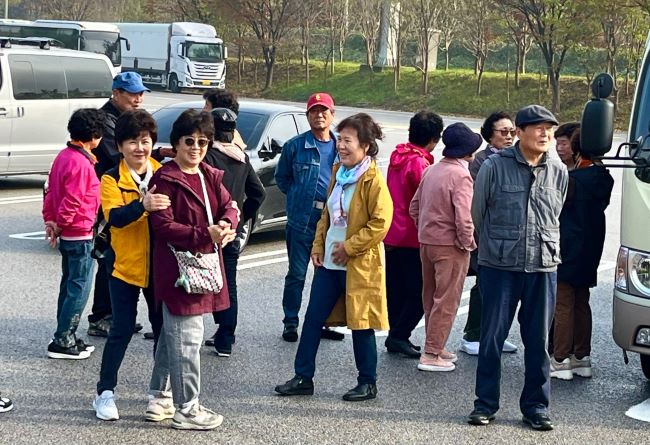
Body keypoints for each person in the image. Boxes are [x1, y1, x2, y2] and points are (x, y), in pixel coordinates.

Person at [274, 113, 393, 401]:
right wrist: (318, 247)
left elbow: (381, 222)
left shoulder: (373, 179)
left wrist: (349, 247)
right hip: (329, 263)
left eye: (347, 140)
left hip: (359, 265)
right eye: (340, 139)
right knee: (313, 318)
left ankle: (368, 382)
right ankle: (303, 377)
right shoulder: (339, 173)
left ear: (365, 145)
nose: (340, 145)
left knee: (360, 323)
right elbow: (326, 216)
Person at [468, 105, 567, 431]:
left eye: (549, 129)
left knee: (538, 341)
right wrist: (496, 248)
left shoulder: (558, 170)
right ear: (520, 132)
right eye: (538, 128)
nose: (545, 134)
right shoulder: (494, 167)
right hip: (499, 266)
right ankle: (485, 405)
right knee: (492, 339)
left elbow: (557, 214)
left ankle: (536, 408)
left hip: (542, 266)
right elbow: (478, 215)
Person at [147, 109, 239, 430]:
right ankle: (187, 408)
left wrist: (227, 224)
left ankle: (160, 396)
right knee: (188, 339)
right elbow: (163, 227)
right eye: (189, 141)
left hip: (201, 267)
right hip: (178, 271)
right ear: (175, 143)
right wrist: (205, 235)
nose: (196, 147)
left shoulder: (208, 174)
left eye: (202, 141)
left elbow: (231, 205)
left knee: (174, 335)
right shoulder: (165, 178)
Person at [93, 110, 171, 421]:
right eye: (132, 142)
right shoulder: (110, 177)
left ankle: (158, 395)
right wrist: (143, 205)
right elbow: (115, 218)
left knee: (162, 331)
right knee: (121, 330)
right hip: (123, 266)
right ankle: (104, 393)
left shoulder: (164, 173)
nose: (140, 148)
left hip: (159, 268)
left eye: (145, 141)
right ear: (121, 145)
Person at [409, 123, 480, 372]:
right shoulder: (461, 175)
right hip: (450, 245)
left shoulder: (432, 169)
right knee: (447, 300)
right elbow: (464, 216)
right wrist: (467, 242)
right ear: (467, 151)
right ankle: (431, 352)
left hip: (427, 242)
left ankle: (435, 346)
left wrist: (425, 228)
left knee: (431, 297)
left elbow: (414, 207)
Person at [275, 93, 343, 343]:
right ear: (308, 115)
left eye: (324, 110)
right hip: (302, 220)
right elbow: (283, 179)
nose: (319, 115)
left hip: (333, 221)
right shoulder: (295, 146)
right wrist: (298, 198)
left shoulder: (341, 147)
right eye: (314, 111)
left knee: (327, 276)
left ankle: (322, 322)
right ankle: (290, 322)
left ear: (332, 114)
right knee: (297, 274)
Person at [88, 72, 151, 338]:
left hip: (126, 196)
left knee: (118, 256)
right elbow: (118, 157)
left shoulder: (124, 119)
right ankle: (101, 316)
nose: (138, 99)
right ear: (116, 93)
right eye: (132, 93)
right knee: (107, 257)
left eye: (141, 93)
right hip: (108, 196)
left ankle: (115, 313)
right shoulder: (106, 121)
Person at [202, 107, 266, 356]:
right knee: (228, 284)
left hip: (208, 231)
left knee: (193, 280)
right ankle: (225, 338)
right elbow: (258, 193)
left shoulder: (206, 157)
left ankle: (179, 330)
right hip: (232, 231)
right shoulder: (241, 157)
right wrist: (241, 219)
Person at [550, 128, 614, 380]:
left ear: (577, 149)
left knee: (563, 302)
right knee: (581, 301)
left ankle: (560, 359)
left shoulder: (573, 179)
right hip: (591, 247)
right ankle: (582, 357)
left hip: (568, 244)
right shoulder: (602, 176)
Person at [42, 108, 105, 359]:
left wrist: (50, 220)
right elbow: (73, 199)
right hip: (79, 232)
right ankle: (63, 338)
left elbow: (50, 192)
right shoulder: (81, 163)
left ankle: (65, 332)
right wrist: (60, 223)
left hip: (69, 232)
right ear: (95, 135)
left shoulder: (64, 156)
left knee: (68, 285)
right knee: (79, 287)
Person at [383, 110, 443, 358]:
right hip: (411, 234)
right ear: (434, 139)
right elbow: (424, 199)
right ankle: (399, 335)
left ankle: (396, 333)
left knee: (396, 287)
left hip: (391, 231)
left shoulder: (397, 155)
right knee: (420, 291)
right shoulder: (419, 163)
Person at [460, 111, 519, 356]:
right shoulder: (481, 161)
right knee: (484, 285)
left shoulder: (516, 158)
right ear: (489, 135)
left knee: (507, 288)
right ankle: (473, 334)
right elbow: (476, 201)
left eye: (512, 132)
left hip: (511, 234)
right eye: (503, 132)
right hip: (487, 232)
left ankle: (495, 334)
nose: (508, 137)